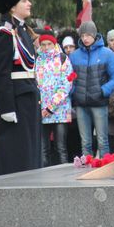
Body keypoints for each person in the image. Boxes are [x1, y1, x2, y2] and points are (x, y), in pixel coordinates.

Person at [0, 0, 40, 175]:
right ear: (12, 7)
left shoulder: (23, 31)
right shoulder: (4, 33)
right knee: (17, 154)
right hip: (15, 100)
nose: (29, 4)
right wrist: (7, 108)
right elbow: (1, 74)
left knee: (30, 152)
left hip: (27, 97)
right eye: (24, 0)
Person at [70, 21, 114, 158]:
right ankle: (86, 165)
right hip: (81, 103)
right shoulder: (74, 56)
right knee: (85, 142)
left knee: (102, 141)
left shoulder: (107, 54)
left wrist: (103, 91)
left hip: (99, 102)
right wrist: (73, 93)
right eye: (82, 36)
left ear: (94, 35)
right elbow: (69, 78)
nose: (85, 38)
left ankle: (104, 167)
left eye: (88, 35)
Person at [36, 31, 74, 166]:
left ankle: (63, 174)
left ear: (54, 44)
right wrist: (40, 107)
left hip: (60, 110)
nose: (46, 47)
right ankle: (43, 174)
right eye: (43, 44)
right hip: (41, 111)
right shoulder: (37, 60)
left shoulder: (63, 59)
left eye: (49, 44)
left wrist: (51, 107)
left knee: (60, 147)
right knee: (43, 149)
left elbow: (66, 84)